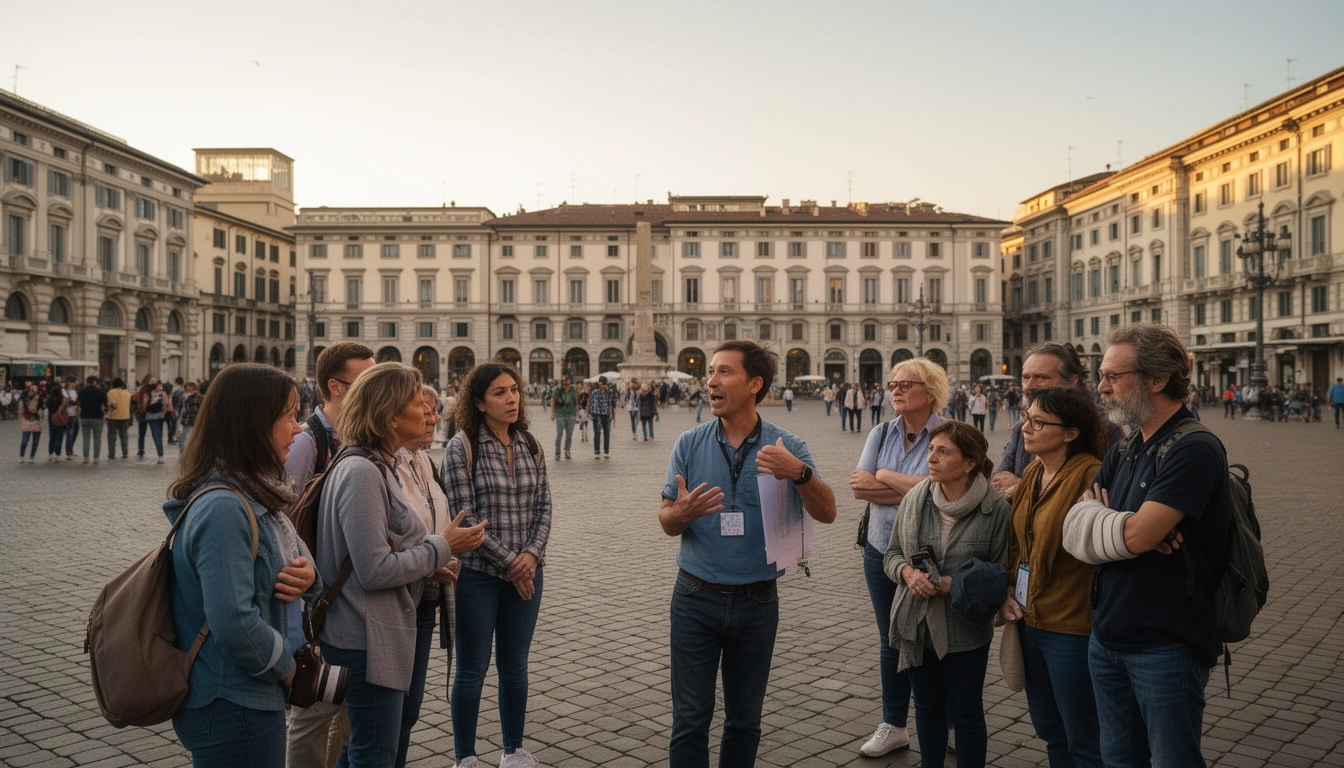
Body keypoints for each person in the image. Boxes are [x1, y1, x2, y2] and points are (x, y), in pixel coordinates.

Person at [658, 340, 837, 768]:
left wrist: (799, 473)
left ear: (755, 384)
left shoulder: (786, 444)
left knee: (744, 721)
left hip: (757, 601)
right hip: (694, 597)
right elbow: (666, 521)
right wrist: (681, 512)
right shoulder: (689, 443)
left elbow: (828, 512)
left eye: (724, 372)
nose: (711, 381)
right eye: (710, 372)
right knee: (689, 720)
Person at [1066, 324, 1230, 768]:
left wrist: (1116, 525)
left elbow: (1137, 535)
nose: (1101, 387)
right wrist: (1124, 526)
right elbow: (1075, 525)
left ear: (1157, 379)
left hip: (1165, 645)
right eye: (1101, 376)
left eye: (1112, 376)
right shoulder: (1126, 447)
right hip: (1106, 636)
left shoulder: (1194, 448)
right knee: (1118, 759)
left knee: (1174, 760)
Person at [164, 363, 319, 767]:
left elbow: (300, 559)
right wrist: (290, 672)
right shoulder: (224, 507)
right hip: (232, 699)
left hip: (249, 693)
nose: (298, 428)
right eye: (288, 416)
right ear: (251, 424)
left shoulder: (259, 492)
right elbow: (233, 621)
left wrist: (308, 574)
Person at [313, 362, 456, 768]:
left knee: (364, 748)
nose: (427, 410)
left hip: (371, 633)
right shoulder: (362, 470)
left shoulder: (376, 463)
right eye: (416, 402)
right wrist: (442, 547)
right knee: (374, 753)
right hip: (364, 638)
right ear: (391, 416)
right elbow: (374, 569)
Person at [441, 362, 553, 768]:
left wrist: (531, 556)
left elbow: (544, 507)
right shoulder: (462, 447)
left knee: (515, 666)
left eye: (514, 390)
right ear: (478, 402)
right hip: (478, 576)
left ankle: (513, 749)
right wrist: (512, 564)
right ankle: (465, 757)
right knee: (472, 669)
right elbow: (464, 517)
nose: (511, 399)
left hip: (527, 573)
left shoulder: (530, 444)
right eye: (500, 392)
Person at [883, 421, 1010, 768]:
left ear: (969, 463)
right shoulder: (915, 498)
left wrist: (954, 585)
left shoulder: (995, 509)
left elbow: (1001, 575)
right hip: (916, 624)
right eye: (930, 450)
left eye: (943, 452)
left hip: (965, 628)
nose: (931, 458)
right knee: (926, 708)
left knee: (966, 713)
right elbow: (892, 555)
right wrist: (908, 574)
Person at [1000, 387, 1109, 768]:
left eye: (1039, 422)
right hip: (1029, 619)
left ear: (1070, 433)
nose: (1026, 428)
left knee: (1084, 737)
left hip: (1070, 627)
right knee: (1050, 729)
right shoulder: (1032, 472)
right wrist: (1009, 587)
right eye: (1027, 418)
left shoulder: (1091, 475)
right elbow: (1017, 541)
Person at [849, 357, 949, 757]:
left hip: (930, 554)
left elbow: (942, 491)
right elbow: (859, 486)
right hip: (880, 548)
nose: (895, 390)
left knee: (935, 637)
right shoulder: (880, 432)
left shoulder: (947, 434)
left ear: (930, 390)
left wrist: (886, 476)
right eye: (893, 385)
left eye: (905, 384)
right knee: (890, 638)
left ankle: (947, 721)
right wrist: (915, 486)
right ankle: (894, 725)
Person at [285, 342, 376, 768]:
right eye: (364, 380)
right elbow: (284, 517)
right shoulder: (308, 440)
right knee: (315, 708)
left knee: (345, 710)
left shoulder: (358, 436)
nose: (373, 388)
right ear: (335, 387)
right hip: (317, 595)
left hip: (350, 594)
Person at [394, 384, 487, 768]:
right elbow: (377, 553)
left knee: (407, 714)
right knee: (381, 724)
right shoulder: (382, 468)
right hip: (394, 606)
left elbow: (438, 524)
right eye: (425, 409)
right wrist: (436, 553)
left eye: (434, 409)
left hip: (425, 599)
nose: (435, 417)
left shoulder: (424, 462)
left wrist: (448, 556)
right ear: (393, 415)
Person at [992, 344, 1124, 503]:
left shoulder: (1105, 426)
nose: (1029, 386)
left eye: (1041, 377)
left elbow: (1108, 492)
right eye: (1026, 377)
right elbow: (999, 481)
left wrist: (1021, 487)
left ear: (1071, 382)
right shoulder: (1023, 424)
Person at [77, 375, 108, 463]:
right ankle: (96, 458)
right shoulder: (101, 392)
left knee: (86, 439)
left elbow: (78, 402)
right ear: (95, 382)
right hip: (97, 417)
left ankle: (86, 457)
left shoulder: (82, 391)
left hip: (85, 417)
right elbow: (106, 404)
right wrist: (105, 414)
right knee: (97, 439)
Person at [550, 376, 577, 460]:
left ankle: (567, 451)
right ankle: (557, 453)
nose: (564, 382)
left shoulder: (573, 390)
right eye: (563, 380)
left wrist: (576, 414)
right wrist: (553, 413)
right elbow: (553, 400)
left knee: (569, 434)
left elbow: (575, 403)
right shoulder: (557, 389)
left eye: (566, 380)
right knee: (559, 434)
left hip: (571, 414)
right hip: (560, 414)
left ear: (570, 381)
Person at [588, 376, 615, 458]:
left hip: (606, 414)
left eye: (604, 385)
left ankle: (606, 451)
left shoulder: (609, 392)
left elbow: (612, 404)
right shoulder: (595, 392)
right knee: (597, 433)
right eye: (601, 385)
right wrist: (591, 413)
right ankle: (597, 451)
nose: (602, 387)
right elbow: (592, 403)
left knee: (607, 434)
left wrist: (613, 415)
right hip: (597, 415)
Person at [105, 378, 132, 460]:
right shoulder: (127, 393)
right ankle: (125, 453)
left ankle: (111, 454)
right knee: (124, 435)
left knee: (112, 436)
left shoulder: (111, 392)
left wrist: (107, 413)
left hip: (113, 416)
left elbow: (112, 404)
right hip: (125, 416)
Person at [18, 382, 42, 463]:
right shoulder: (24, 399)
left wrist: (39, 414)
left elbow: (41, 408)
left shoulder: (39, 398)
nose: (33, 391)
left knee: (35, 441)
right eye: (32, 390)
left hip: (36, 420)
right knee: (24, 440)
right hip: (26, 420)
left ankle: (32, 457)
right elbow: (21, 410)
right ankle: (21, 456)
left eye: (35, 389)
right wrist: (22, 418)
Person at [177, 381, 203, 454]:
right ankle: (184, 456)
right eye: (187, 387)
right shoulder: (184, 396)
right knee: (182, 440)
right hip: (186, 421)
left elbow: (195, 409)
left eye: (189, 386)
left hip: (194, 421)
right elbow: (182, 410)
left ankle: (188, 456)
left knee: (187, 440)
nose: (188, 388)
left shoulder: (198, 397)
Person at [45, 385, 67, 463]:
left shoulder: (49, 400)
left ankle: (51, 454)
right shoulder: (61, 399)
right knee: (59, 437)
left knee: (52, 437)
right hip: (59, 419)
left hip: (51, 419)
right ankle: (58, 455)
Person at [62, 376, 81, 459]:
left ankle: (71, 449)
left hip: (75, 414)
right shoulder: (63, 391)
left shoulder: (74, 391)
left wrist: (77, 405)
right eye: (72, 382)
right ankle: (68, 452)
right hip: (68, 415)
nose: (74, 384)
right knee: (69, 433)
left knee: (75, 431)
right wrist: (73, 402)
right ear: (68, 382)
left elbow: (76, 401)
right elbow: (66, 402)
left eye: (74, 382)